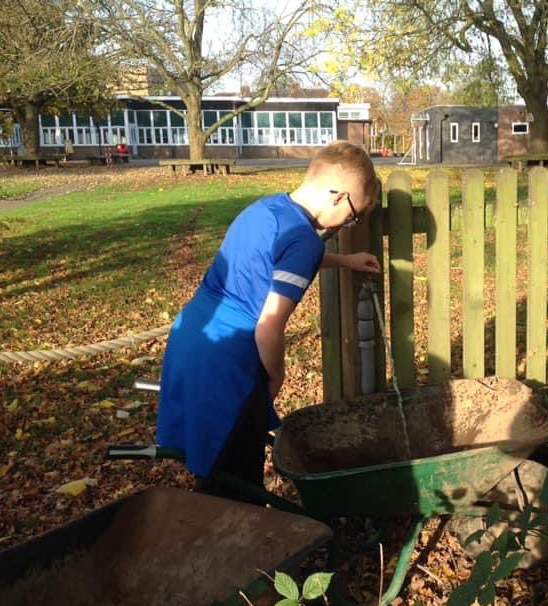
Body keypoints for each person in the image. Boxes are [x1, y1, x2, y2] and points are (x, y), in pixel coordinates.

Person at [156, 140, 381, 498]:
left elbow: (277, 258)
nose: (349, 223)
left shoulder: (267, 209)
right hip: (226, 363)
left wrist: (344, 261)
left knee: (212, 468)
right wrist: (277, 375)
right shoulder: (306, 242)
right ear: (339, 196)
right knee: (236, 486)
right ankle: (234, 551)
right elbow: (268, 327)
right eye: (353, 215)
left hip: (191, 338)